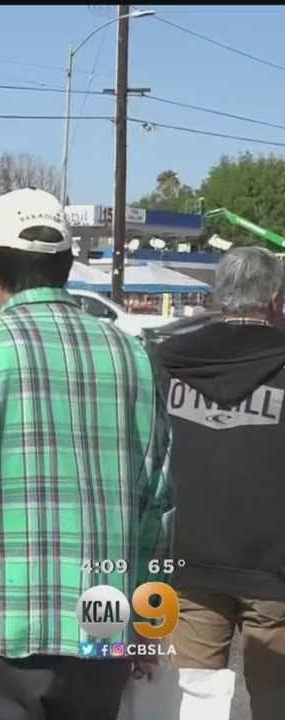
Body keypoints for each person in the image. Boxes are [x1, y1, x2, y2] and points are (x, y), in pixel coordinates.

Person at [0, 188, 174, 720]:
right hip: (103, 629)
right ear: (66, 265)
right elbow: (157, 504)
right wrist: (149, 623)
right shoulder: (133, 356)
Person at [153, 246, 285, 719]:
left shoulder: (167, 361)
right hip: (275, 570)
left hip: (187, 562)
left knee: (186, 704)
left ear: (218, 297)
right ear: (274, 299)